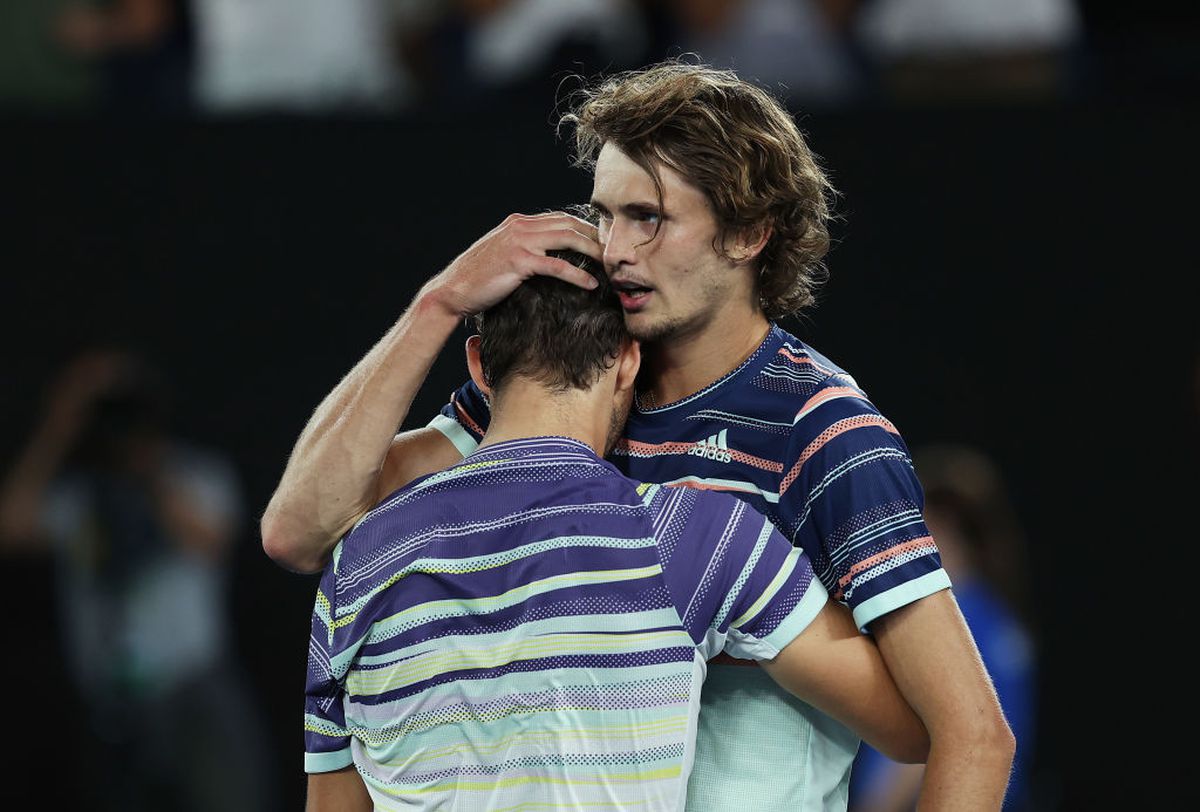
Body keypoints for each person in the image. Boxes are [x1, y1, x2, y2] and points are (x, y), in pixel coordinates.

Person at [263, 59, 1014, 809]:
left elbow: (968, 733)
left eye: (648, 217)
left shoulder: (822, 431)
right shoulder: (571, 378)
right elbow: (300, 531)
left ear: (749, 232)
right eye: (605, 214)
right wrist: (438, 303)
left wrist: (739, 626)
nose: (614, 248)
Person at [302, 254, 929, 810]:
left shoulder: (355, 563)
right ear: (629, 362)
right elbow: (914, 728)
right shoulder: (697, 537)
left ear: (479, 366)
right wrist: (754, 632)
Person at [0, 348, 273, 812]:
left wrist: (145, 461)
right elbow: (11, 527)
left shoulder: (196, 473)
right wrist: (60, 423)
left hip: (193, 687)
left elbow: (210, 540)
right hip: (109, 702)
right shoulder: (78, 493)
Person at [849, 443, 1038, 811]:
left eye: (918, 523)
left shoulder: (956, 618)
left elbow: (957, 735)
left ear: (948, 529)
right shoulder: (1000, 619)